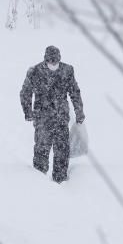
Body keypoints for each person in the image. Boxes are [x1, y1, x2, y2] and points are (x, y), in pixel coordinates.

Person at [19, 45, 85, 183]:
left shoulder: (67, 71)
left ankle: (60, 182)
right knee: (41, 152)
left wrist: (79, 111)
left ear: (60, 60)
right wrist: (28, 111)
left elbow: (75, 93)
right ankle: (39, 182)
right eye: (50, 62)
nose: (53, 64)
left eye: (56, 62)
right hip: (42, 119)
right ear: (45, 60)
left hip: (61, 119)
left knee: (62, 152)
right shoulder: (34, 71)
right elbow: (25, 92)